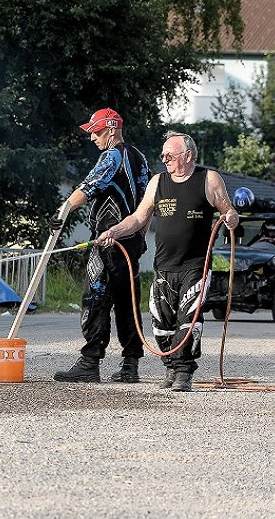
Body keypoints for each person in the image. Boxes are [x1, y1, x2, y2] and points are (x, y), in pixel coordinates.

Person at [95, 131, 240, 392]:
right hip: (164, 265)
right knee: (161, 322)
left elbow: (228, 210)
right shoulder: (157, 182)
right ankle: (171, 367)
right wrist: (114, 231)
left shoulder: (208, 179)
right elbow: (139, 218)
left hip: (195, 265)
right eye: (163, 155)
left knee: (188, 319)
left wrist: (230, 217)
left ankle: (184, 371)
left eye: (169, 155)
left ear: (187, 155)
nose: (164, 159)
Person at [52, 108, 150, 384]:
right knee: (127, 301)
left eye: (95, 132)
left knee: (94, 296)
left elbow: (91, 185)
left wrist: (64, 209)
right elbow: (148, 202)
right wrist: (141, 234)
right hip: (131, 240)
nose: (92, 137)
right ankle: (131, 366)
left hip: (108, 241)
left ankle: (89, 361)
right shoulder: (140, 158)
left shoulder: (111, 156)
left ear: (111, 129)